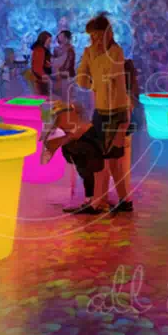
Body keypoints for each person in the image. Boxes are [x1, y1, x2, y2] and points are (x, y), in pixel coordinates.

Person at [76, 14, 132, 213]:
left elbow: (111, 77)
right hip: (100, 112)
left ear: (108, 34)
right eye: (91, 36)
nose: (94, 40)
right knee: (107, 160)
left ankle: (100, 202)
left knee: (110, 161)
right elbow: (81, 79)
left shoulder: (116, 52)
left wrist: (96, 77)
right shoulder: (90, 52)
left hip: (116, 113)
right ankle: (121, 201)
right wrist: (93, 82)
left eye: (98, 36)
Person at [42, 102, 107, 215]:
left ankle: (95, 201)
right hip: (78, 138)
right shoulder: (59, 110)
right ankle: (91, 199)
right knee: (83, 168)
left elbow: (79, 127)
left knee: (91, 166)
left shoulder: (71, 109)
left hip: (86, 136)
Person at [29, 31, 53, 96]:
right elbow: (37, 66)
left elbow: (43, 62)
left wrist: (48, 64)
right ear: (44, 40)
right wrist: (44, 75)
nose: (50, 43)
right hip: (40, 80)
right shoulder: (40, 50)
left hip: (42, 79)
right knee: (42, 97)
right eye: (49, 41)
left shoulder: (43, 49)